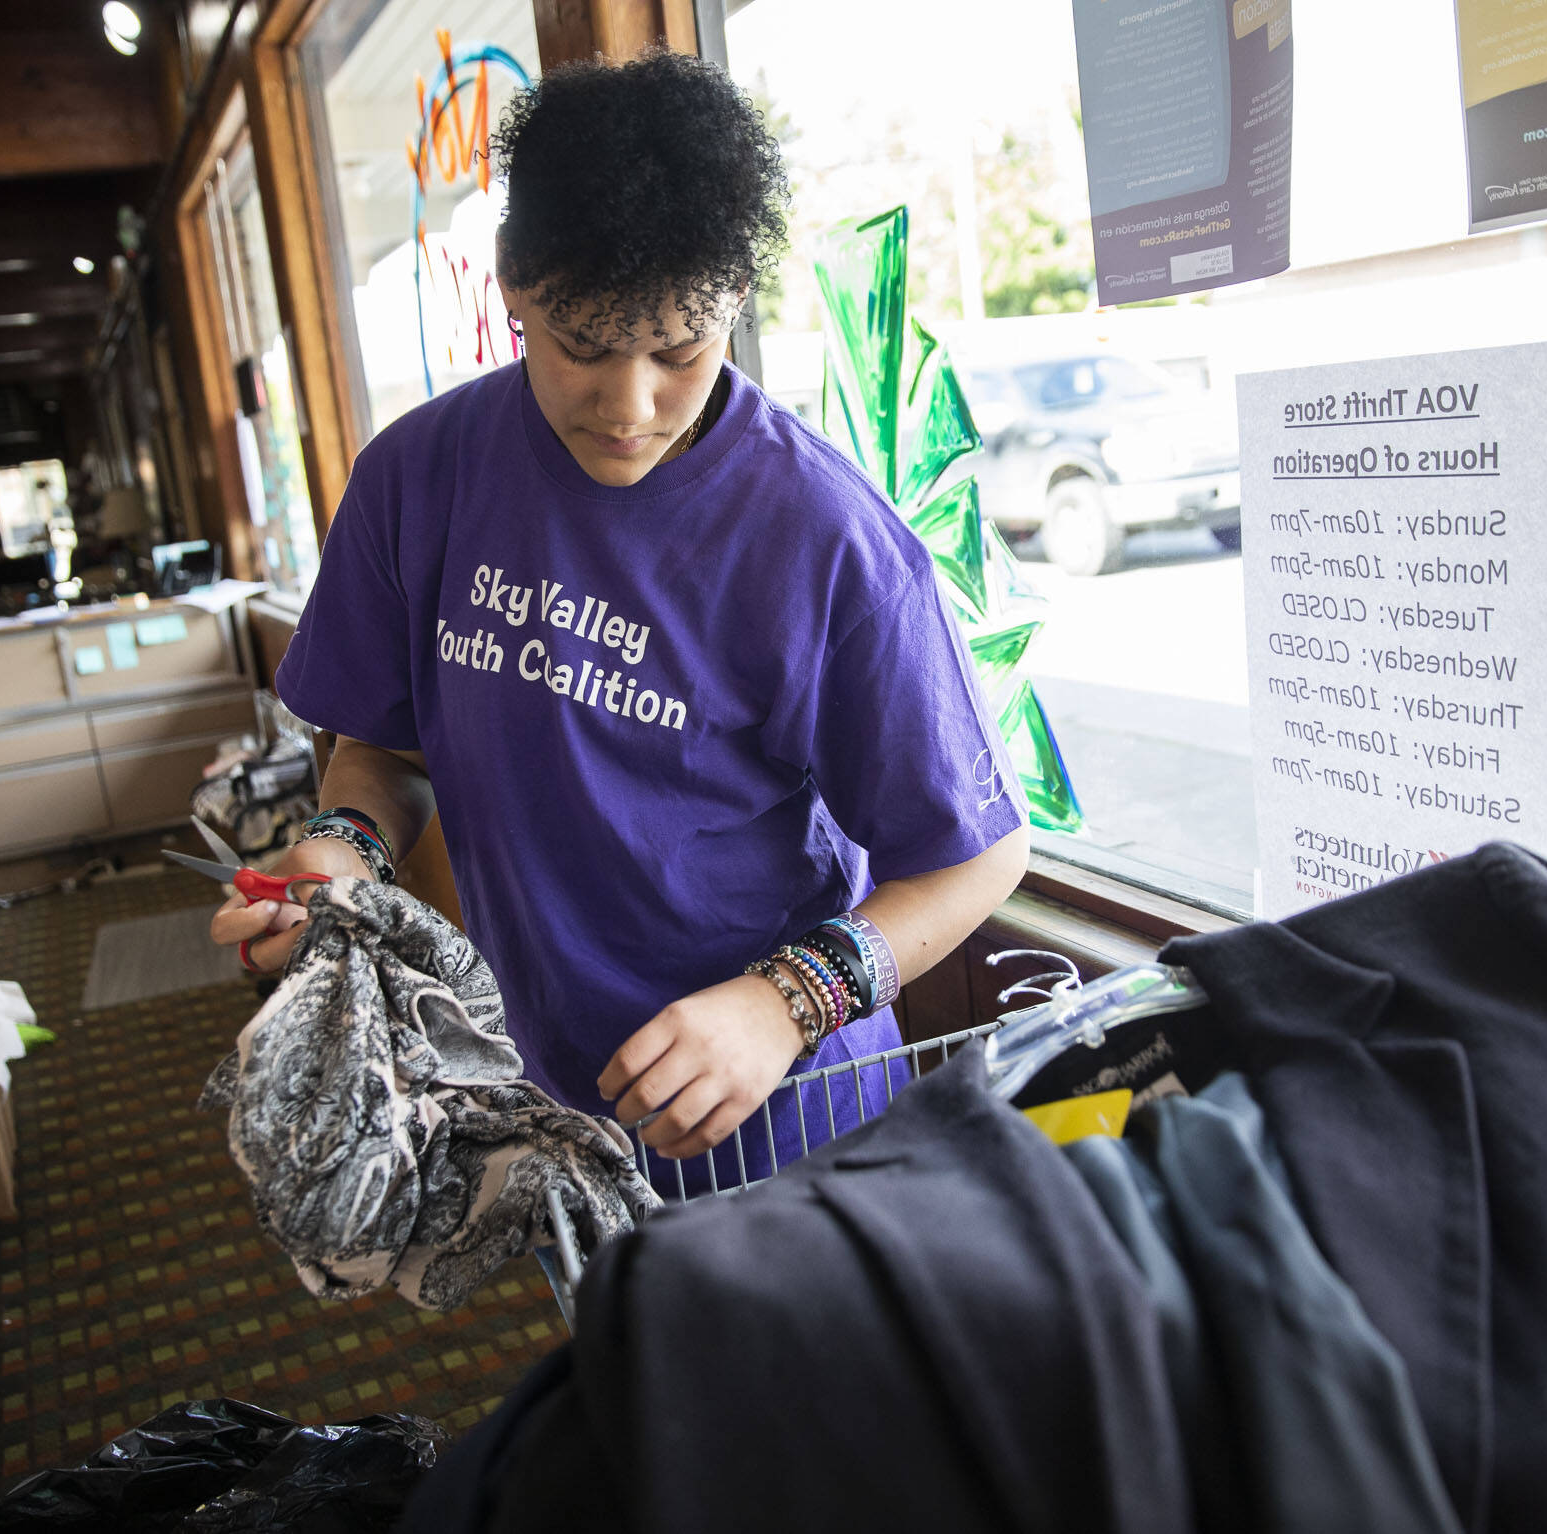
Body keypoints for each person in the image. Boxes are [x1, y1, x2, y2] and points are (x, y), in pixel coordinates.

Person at [212, 48, 1028, 1167]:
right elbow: (384, 750)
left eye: (679, 352)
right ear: (510, 282)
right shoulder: (417, 479)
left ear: (734, 300)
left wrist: (781, 1004)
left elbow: (976, 856)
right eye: (580, 348)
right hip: (551, 1103)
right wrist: (338, 856)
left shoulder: (822, 535)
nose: (629, 406)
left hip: (789, 1111)